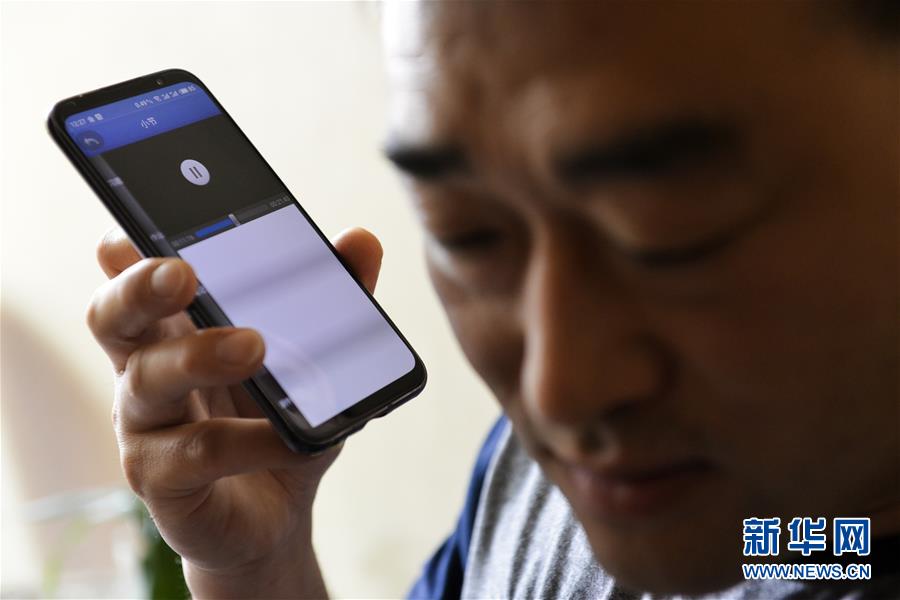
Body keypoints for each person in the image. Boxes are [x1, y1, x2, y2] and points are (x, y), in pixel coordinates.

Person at [86, 1, 899, 598]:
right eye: (467, 233)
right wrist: (258, 568)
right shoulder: (582, 483)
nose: (555, 390)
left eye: (666, 230)